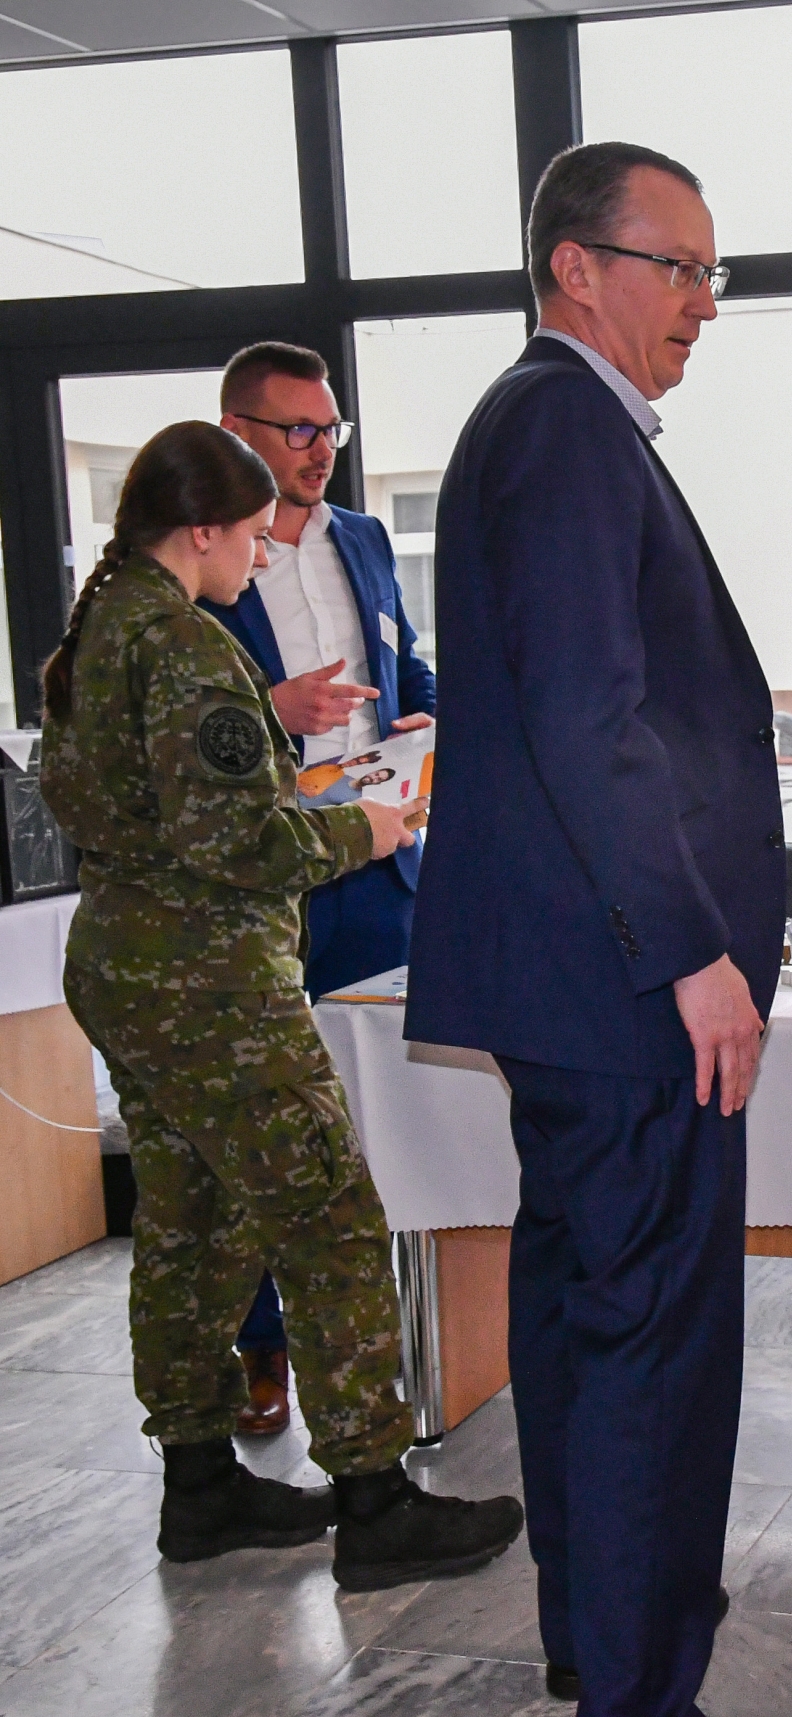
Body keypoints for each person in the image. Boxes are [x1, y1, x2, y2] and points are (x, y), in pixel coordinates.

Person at [407, 142, 784, 1714]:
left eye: (711, 271)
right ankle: (638, 1680)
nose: (705, 301)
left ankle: (598, 1640)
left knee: (584, 1324)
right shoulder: (565, 424)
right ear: (579, 267)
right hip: (627, 990)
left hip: (577, 988)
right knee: (650, 1354)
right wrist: (694, 952)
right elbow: (590, 718)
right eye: (677, 267)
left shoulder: (549, 422)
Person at [36, 420, 522, 1589]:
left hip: (128, 968)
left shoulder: (99, 632)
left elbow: (157, 815)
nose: (262, 556)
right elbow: (241, 843)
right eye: (254, 537)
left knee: (191, 1225)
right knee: (330, 1217)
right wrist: (368, 827)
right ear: (200, 530)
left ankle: (199, 1482)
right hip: (209, 985)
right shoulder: (187, 649)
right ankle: (374, 1498)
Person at [205, 340, 437, 1437]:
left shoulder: (365, 538)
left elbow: (405, 658)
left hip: (381, 863)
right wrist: (272, 708)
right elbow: (178, 725)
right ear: (236, 433)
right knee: (268, 1127)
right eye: (297, 429)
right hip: (270, 882)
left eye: (330, 429)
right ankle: (265, 1344)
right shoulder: (205, 559)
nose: (320, 451)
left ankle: (417, 1334)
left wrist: (429, 714)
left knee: (398, 1103)